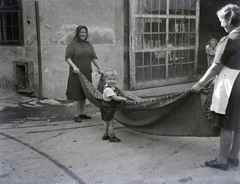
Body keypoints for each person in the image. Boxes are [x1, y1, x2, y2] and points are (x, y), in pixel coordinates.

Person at [191, 4, 240, 171]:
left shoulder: (228, 40)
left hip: (231, 83)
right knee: (238, 122)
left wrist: (199, 85)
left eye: (221, 20)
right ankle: (233, 156)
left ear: (229, 20)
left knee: (227, 124)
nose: (220, 25)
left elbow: (215, 67)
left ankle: (222, 159)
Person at [65, 25, 102, 123]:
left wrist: (99, 68)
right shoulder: (72, 45)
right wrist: (74, 67)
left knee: (84, 93)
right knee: (76, 94)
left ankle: (82, 113)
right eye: (81, 32)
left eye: (85, 32)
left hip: (86, 73)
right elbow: (67, 58)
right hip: (76, 74)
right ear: (77, 33)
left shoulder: (88, 45)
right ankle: (76, 115)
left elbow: (94, 58)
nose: (83, 34)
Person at [100, 69, 127, 142]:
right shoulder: (108, 89)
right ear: (105, 79)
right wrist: (122, 98)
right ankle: (112, 136)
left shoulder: (109, 86)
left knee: (106, 121)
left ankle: (105, 134)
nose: (112, 81)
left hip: (104, 106)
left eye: (114, 79)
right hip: (108, 108)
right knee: (110, 122)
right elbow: (114, 98)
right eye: (109, 79)